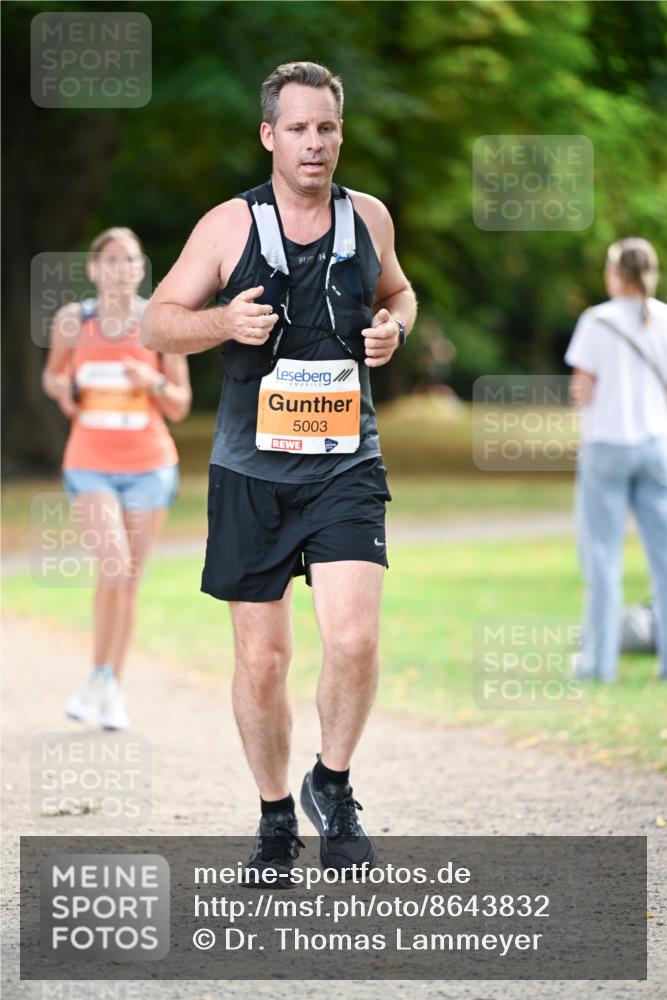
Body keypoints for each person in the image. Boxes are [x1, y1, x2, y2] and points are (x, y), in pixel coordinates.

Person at [141, 61, 417, 880]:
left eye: (326, 128)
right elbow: (159, 323)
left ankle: (331, 786)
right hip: (251, 472)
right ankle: (272, 817)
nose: (313, 143)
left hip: (344, 465)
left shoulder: (368, 218)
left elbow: (400, 295)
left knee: (355, 638)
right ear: (269, 135)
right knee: (262, 661)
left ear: (340, 134)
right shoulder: (229, 227)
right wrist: (224, 318)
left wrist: (393, 329)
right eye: (296, 128)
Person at [42, 227, 192, 729]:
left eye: (130, 261)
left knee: (126, 578)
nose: (121, 270)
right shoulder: (72, 321)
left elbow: (180, 404)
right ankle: (100, 679)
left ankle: (107, 684)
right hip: (90, 464)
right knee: (115, 563)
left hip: (150, 468)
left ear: (141, 269)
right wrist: (66, 389)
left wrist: (152, 382)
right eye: (110, 261)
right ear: (93, 269)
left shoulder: (160, 324)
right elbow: (54, 375)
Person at [565, 237, 667, 683]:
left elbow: (582, 390)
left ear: (614, 275)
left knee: (602, 557)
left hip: (608, 446)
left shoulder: (597, 320)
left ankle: (597, 664)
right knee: (663, 558)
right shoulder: (664, 317)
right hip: (657, 447)